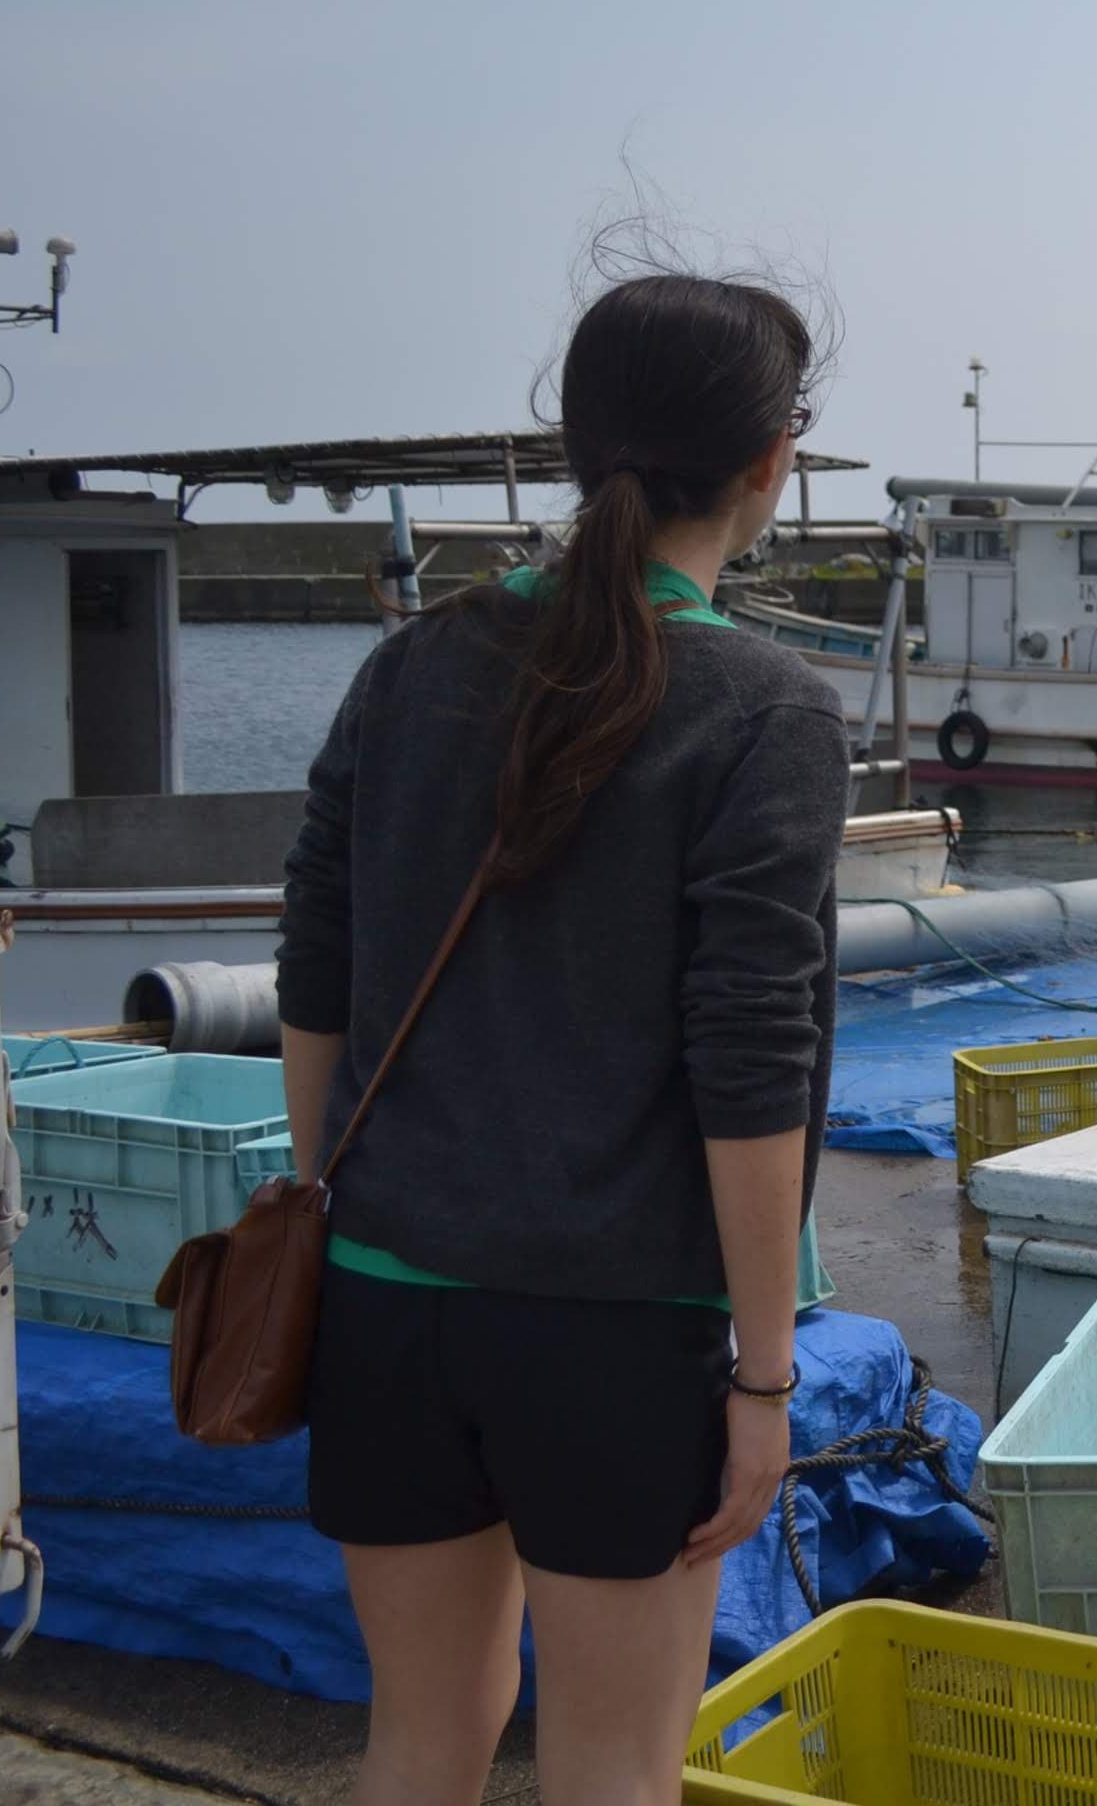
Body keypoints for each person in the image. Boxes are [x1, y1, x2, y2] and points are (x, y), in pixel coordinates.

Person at [277, 268, 845, 1805]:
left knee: (416, 1745)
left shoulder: (410, 667)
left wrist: (335, 1214)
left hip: (388, 1302)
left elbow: (315, 974)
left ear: (579, 445)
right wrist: (767, 1379)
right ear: (767, 465)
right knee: (612, 1769)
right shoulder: (761, 704)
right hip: (615, 1328)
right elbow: (751, 1055)